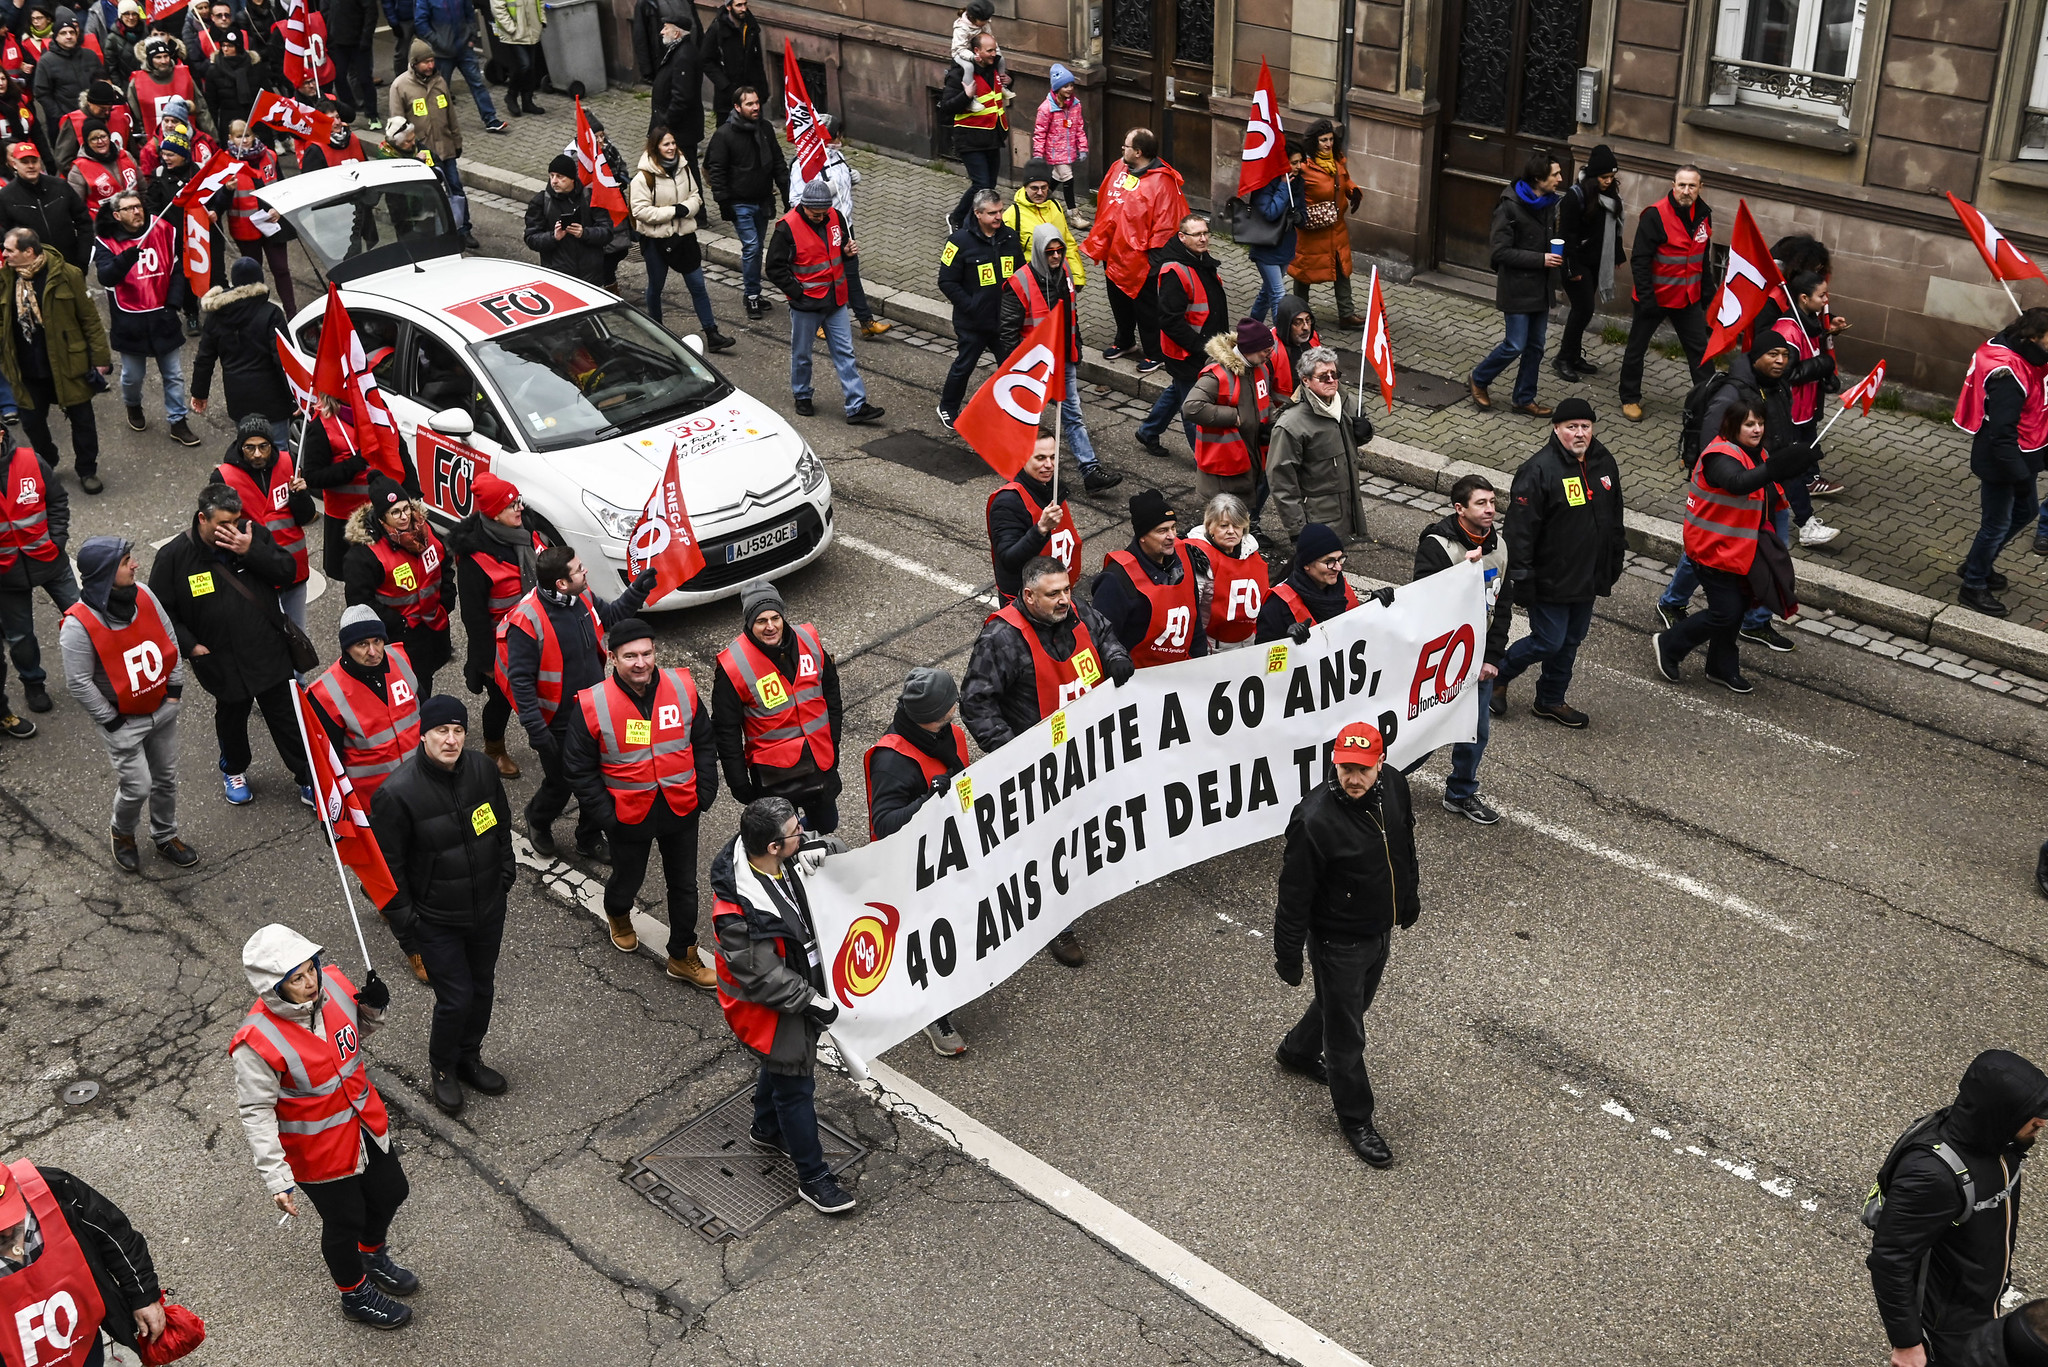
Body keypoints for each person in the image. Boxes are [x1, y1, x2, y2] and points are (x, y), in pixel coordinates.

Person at [230, 923, 417, 1328]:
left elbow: (355, 1036)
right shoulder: (255, 1043)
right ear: (274, 988)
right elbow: (256, 1112)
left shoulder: (333, 983)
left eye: (309, 969)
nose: (310, 981)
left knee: (391, 1191)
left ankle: (372, 1254)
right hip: (319, 1153)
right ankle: (355, 1295)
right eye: (295, 978)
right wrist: (277, 1178)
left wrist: (373, 1009)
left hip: (366, 1125)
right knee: (344, 1222)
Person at [960, 555, 1132, 965]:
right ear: (1028, 595)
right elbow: (976, 702)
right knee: (1047, 844)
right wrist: (1012, 752)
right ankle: (1057, 924)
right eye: (1053, 594)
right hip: (1039, 766)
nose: (1063, 599)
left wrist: (1117, 658)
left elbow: (1104, 634)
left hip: (1085, 751)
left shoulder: (1076, 613)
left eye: (1067, 590)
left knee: (1082, 827)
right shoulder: (1002, 638)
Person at [1272, 720, 1418, 1167]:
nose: (1353, 779)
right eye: (1345, 768)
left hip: (1378, 929)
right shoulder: (1314, 819)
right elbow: (1294, 892)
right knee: (1346, 1034)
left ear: (1382, 763)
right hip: (1338, 940)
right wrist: (1288, 952)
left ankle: (1296, 1051)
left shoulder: (1393, 786)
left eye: (1363, 769)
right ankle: (1356, 1118)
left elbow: (1402, 846)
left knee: (1347, 1006)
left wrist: (1407, 901)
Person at [708, 795, 858, 1215]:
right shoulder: (736, 911)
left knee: (781, 1068)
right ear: (773, 848)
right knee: (796, 1084)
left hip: (795, 992)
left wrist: (824, 850)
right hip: (770, 1010)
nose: (804, 833)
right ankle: (813, 1178)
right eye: (796, 832)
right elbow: (763, 977)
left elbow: (836, 847)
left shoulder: (778, 854)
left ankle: (765, 1127)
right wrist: (814, 1002)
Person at [370, 695, 516, 1115]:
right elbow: (388, 869)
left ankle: (470, 1057)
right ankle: (443, 1067)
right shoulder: (396, 794)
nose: (450, 740)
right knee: (455, 998)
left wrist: (504, 872)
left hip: (487, 906)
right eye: (441, 731)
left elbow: (500, 822)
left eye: (457, 731)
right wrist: (408, 926)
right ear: (424, 734)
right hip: (436, 919)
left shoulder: (483, 770)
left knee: (482, 987)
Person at [563, 617, 720, 987]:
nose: (641, 662)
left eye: (647, 653)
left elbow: (704, 741)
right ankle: (617, 913)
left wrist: (705, 792)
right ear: (613, 659)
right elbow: (577, 768)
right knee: (627, 879)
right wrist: (606, 815)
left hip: (681, 806)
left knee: (684, 885)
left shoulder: (681, 687)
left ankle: (682, 955)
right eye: (630, 655)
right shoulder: (593, 704)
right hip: (627, 815)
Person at [1867, 1050, 2048, 1367]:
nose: (2042, 1122)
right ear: (2002, 1112)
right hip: (1946, 1324)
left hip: (1978, 1298)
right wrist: (1907, 1344)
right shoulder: (1932, 1176)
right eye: (2033, 1114)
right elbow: (1890, 1261)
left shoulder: (2002, 1141)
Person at [149, 482, 312, 804]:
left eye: (235, 520)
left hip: (267, 650)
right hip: (220, 659)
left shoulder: (254, 536)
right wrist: (191, 646)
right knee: (231, 718)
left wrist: (249, 551)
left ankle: (308, 779)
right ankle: (233, 769)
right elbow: (161, 610)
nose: (232, 529)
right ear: (202, 519)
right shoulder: (174, 556)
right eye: (223, 523)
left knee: (286, 718)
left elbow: (287, 571)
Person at [1656, 335, 1813, 650]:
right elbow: (1712, 451)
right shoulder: (1731, 394)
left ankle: (1755, 623)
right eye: (1773, 354)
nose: (1780, 361)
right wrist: (1747, 476)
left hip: (1768, 489)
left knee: (1772, 553)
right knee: (1701, 554)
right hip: (1734, 497)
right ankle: (1673, 603)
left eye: (1785, 354)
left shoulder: (1778, 384)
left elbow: (1779, 432)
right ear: (1755, 357)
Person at [499, 544, 655, 859]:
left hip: (594, 710)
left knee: (598, 777)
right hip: (556, 722)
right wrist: (538, 732)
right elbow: (521, 682)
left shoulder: (581, 595)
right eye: (579, 569)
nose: (585, 572)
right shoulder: (526, 622)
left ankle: (588, 837)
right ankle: (538, 818)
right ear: (561, 583)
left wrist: (637, 591)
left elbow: (610, 616)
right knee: (561, 783)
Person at [1653, 401, 1816, 693]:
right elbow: (1738, 482)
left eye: (1760, 424)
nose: (1757, 429)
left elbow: (1766, 491)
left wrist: (1793, 466)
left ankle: (1721, 666)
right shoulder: (1720, 455)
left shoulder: (1758, 454)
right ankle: (1670, 643)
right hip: (1712, 550)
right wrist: (1778, 466)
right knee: (1725, 613)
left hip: (1739, 550)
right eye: (1749, 424)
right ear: (1733, 426)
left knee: (1737, 608)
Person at [60, 534, 195, 868]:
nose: (135, 564)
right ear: (106, 573)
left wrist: (174, 692)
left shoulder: (145, 595)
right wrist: (112, 721)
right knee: (138, 787)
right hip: (123, 722)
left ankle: (165, 836)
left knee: (166, 779)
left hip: (161, 709)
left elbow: (170, 640)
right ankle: (122, 833)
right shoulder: (77, 625)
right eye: (125, 561)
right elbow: (78, 682)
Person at [1494, 397, 1624, 726]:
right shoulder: (1539, 470)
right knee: (1548, 640)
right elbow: (1520, 529)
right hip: (1550, 577)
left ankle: (1550, 698)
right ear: (1556, 429)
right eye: (1571, 427)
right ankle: (1497, 676)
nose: (1579, 433)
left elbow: (1615, 516)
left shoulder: (1605, 462)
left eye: (1585, 426)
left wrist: (1614, 557)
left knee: (1571, 641)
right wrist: (1522, 576)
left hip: (1587, 577)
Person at [863, 667, 972, 1056]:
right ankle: (932, 1012)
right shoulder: (892, 760)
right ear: (934, 713)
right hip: (912, 868)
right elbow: (886, 824)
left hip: (949, 853)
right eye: (950, 705)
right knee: (927, 937)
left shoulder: (948, 735)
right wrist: (928, 800)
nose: (956, 709)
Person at [1413, 475, 1512, 824]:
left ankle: (1461, 793)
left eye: (1492, 502)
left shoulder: (1499, 546)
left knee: (1476, 730)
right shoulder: (1437, 547)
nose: (1490, 510)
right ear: (1459, 509)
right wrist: (1462, 577)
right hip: (1442, 659)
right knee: (1421, 731)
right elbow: (1424, 604)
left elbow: (1501, 604)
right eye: (1481, 503)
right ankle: (1378, 777)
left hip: (1478, 658)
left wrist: (1492, 657)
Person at [0, 1155, 167, 1356]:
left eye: (12, 1216)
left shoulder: (52, 1187)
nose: (8, 1232)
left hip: (82, 1343)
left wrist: (144, 1296)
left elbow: (115, 1236)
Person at [713, 579, 843, 832]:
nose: (770, 627)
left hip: (819, 760)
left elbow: (831, 691)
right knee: (782, 839)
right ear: (750, 623)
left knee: (826, 825)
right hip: (775, 777)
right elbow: (725, 731)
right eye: (761, 621)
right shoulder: (732, 667)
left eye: (775, 618)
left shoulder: (809, 641)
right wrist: (738, 783)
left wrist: (833, 739)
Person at [998, 221, 1117, 490]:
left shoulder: (1065, 272)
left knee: (1072, 414)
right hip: (1032, 367)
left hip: (1062, 359)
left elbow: (1071, 315)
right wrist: (1012, 370)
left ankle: (1090, 471)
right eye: (1050, 251)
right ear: (1040, 251)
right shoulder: (1019, 284)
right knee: (1030, 420)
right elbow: (1007, 332)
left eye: (1059, 251)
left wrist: (1077, 348)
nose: (1055, 256)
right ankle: (1025, 473)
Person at [765, 177, 883, 424]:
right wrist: (797, 293)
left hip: (836, 300)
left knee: (845, 353)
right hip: (806, 304)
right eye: (815, 213)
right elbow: (775, 268)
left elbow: (836, 253)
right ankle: (802, 395)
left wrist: (847, 254)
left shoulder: (835, 217)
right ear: (803, 205)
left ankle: (856, 405)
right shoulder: (787, 228)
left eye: (823, 213)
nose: (820, 217)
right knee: (802, 354)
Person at [1, 227, 108, 496]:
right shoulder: (5, 278)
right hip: (26, 367)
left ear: (28, 252)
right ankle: (47, 460)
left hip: (67, 364)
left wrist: (100, 358)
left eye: (9, 250)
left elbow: (89, 319)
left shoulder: (66, 274)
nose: (4, 254)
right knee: (32, 424)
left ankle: (87, 470)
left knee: (82, 421)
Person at [1956, 308, 2048, 618]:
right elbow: (2002, 433)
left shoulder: (2025, 355)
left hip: (2021, 456)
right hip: (2003, 461)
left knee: (2026, 511)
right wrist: (2020, 477)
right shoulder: (2009, 373)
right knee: (1996, 525)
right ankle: (1973, 584)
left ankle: (1975, 563)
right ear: (2034, 338)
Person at [452, 469, 536, 779]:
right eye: (511, 505)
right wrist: (488, 663)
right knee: (501, 702)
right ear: (493, 514)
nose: (520, 509)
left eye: (518, 501)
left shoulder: (523, 531)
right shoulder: (474, 558)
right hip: (501, 648)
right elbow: (473, 617)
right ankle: (494, 749)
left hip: (534, 636)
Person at [93, 188, 194, 445]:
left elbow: (176, 269)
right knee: (132, 377)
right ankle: (133, 405)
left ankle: (178, 421)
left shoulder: (163, 230)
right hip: (130, 321)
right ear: (117, 215)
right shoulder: (107, 242)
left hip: (163, 317)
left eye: (138, 206)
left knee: (173, 374)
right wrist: (126, 258)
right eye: (129, 208)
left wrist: (172, 305)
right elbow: (106, 277)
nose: (137, 211)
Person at [1084, 128, 1187, 367]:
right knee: (1118, 301)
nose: (1122, 150)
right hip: (1115, 254)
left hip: (1141, 263)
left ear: (1138, 152)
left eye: (1126, 146)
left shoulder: (1163, 184)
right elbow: (1105, 202)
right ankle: (1124, 341)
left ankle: (1155, 353)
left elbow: (1166, 225)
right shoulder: (1119, 167)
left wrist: (1153, 264)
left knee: (1147, 311)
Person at [1469, 151, 1561, 418]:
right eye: (1555, 174)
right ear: (1537, 178)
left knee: (1536, 346)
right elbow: (1499, 252)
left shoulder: (1549, 203)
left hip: (1541, 288)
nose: (1560, 178)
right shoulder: (1509, 206)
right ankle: (1479, 378)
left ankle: (1523, 398)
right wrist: (1540, 259)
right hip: (1517, 287)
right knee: (1515, 344)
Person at [344, 473, 453, 696]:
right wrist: (399, 623)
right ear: (382, 517)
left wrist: (447, 598)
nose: (404, 517)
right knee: (409, 689)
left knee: (425, 679)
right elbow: (360, 602)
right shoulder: (364, 554)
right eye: (395, 512)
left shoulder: (424, 528)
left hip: (433, 625)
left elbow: (444, 561)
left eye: (406, 509)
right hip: (400, 635)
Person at [1619, 165, 1713, 421]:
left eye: (1692, 186)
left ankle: (1710, 402)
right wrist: (1647, 299)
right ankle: (1630, 398)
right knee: (1636, 348)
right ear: (1673, 185)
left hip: (1687, 299)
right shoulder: (1655, 215)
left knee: (1700, 353)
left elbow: (1702, 256)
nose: (1686, 191)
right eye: (1681, 185)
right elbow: (1640, 260)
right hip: (1655, 298)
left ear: (1700, 188)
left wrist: (1708, 292)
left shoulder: (1704, 214)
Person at [1762, 270, 1848, 545]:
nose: (1826, 300)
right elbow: (1784, 373)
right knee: (1792, 470)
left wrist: (1825, 374)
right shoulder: (1788, 330)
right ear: (1802, 298)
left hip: (1805, 410)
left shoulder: (1809, 322)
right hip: (1790, 414)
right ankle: (1806, 526)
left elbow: (1811, 354)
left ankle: (1775, 514)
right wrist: (1820, 366)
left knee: (1797, 466)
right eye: (1822, 295)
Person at [308, 602, 421, 806]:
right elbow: (324, 764)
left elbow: (427, 716)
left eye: (377, 641)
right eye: (362, 644)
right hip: (373, 803)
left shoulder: (400, 658)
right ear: (347, 648)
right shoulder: (326, 694)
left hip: (420, 786)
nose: (373, 652)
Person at [634, 125, 733, 349]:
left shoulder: (684, 168)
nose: (671, 148)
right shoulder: (643, 178)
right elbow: (640, 211)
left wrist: (684, 209)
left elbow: (696, 197)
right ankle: (656, 329)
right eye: (665, 144)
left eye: (672, 143)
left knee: (698, 285)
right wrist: (673, 211)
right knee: (656, 286)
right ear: (655, 147)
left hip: (684, 238)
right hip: (657, 241)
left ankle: (712, 333)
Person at [790, 113, 888, 339]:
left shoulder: (837, 156)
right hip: (820, 230)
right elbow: (796, 200)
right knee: (825, 276)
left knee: (851, 273)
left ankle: (866, 321)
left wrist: (850, 178)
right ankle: (819, 322)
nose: (840, 138)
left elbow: (842, 184)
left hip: (844, 226)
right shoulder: (803, 164)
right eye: (837, 134)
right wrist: (825, 191)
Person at [1136, 212, 1226, 454]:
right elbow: (1170, 320)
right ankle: (1204, 464)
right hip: (1187, 352)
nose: (1204, 238)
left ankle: (1148, 431)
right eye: (1197, 234)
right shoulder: (1175, 271)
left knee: (1177, 391)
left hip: (1202, 348)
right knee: (1192, 407)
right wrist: (1201, 347)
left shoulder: (1200, 260)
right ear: (1182, 237)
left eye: (1206, 233)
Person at [934, 186, 1022, 429]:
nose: (998, 217)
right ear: (978, 214)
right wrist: (971, 306)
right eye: (992, 213)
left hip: (1003, 321)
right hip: (972, 322)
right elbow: (946, 281)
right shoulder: (958, 242)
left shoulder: (1010, 237)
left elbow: (1021, 273)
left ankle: (1010, 409)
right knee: (964, 366)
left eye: (1000, 211)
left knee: (1011, 367)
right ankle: (948, 407)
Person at [1090, 486, 1208, 667]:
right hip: (1139, 683)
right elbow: (1101, 639)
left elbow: (1195, 622)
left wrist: (1200, 664)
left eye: (1173, 528)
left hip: (1181, 674)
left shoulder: (1185, 558)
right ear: (1142, 536)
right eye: (1162, 531)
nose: (1172, 536)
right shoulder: (1116, 579)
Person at [212, 414, 312, 626]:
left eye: (263, 446)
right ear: (240, 447)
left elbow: (305, 516)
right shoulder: (224, 477)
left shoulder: (289, 463)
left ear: (272, 444)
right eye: (250, 447)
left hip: (294, 569)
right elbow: (217, 530)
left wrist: (300, 496)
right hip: (255, 573)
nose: (257, 454)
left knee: (299, 637)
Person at [0, 439, 75, 717]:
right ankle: (33, 683)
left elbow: (57, 500)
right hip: (6, 574)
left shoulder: (31, 461)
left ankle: (101, 669)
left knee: (83, 616)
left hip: (50, 559)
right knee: (20, 637)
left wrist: (57, 541)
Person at [1267, 344, 1369, 547]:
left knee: (1334, 566)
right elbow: (1281, 480)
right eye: (1323, 376)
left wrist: (1366, 431)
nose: (1332, 380)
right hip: (1319, 520)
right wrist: (1297, 529)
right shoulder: (1291, 425)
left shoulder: (1348, 403)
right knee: (1314, 571)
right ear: (1306, 380)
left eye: (1335, 373)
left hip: (1347, 512)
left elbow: (1351, 444)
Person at [191, 254, 294, 453]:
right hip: (273, 398)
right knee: (279, 449)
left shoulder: (216, 316)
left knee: (248, 450)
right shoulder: (271, 313)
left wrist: (199, 393)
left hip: (239, 398)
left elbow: (204, 358)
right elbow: (283, 359)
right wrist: (295, 396)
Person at [390, 39, 480, 252]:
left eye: (432, 61)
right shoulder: (399, 86)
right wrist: (406, 153)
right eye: (425, 62)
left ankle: (463, 229)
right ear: (414, 63)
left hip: (446, 148)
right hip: (421, 154)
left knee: (456, 189)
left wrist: (457, 141)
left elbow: (451, 115)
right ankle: (437, 234)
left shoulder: (440, 82)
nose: (430, 65)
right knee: (429, 196)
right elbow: (397, 125)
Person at [704, 85, 785, 321]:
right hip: (740, 203)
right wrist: (723, 203)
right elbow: (716, 171)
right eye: (749, 104)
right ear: (737, 107)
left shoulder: (766, 129)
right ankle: (751, 295)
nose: (756, 107)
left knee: (758, 248)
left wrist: (787, 191)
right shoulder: (724, 134)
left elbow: (778, 162)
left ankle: (754, 292)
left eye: (757, 102)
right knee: (751, 248)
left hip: (762, 200)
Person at [1184, 317, 1277, 511]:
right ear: (1249, 349)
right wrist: (1232, 416)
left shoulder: (1260, 369)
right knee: (1224, 522)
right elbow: (1191, 407)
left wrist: (1273, 421)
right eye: (1266, 351)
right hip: (1224, 469)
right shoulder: (1218, 375)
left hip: (1248, 459)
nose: (1271, 354)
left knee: (1242, 516)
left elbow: (1265, 400)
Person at [987, 429, 1082, 604]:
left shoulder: (1052, 488)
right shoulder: (1008, 502)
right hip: (1027, 604)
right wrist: (1041, 530)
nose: (1049, 465)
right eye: (1040, 458)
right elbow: (1009, 560)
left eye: (1053, 457)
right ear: (1022, 457)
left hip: (1056, 595)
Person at [1554, 143, 1621, 382]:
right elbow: (1565, 234)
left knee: (1583, 310)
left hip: (1595, 261)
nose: (1609, 181)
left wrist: (1617, 256)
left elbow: (1613, 228)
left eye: (1612, 177)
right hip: (1575, 261)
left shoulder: (1610, 195)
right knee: (1583, 309)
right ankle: (1563, 358)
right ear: (1593, 176)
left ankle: (1572, 356)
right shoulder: (1576, 196)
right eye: (1604, 177)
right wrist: (1570, 268)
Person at [1288, 119, 1362, 327]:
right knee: (1303, 273)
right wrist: (1300, 214)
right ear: (1314, 142)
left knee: (1342, 269)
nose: (1328, 144)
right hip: (1313, 230)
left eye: (1330, 139)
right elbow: (1293, 193)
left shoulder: (1337, 161)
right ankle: (1301, 316)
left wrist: (1353, 191)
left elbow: (1344, 180)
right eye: (1323, 140)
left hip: (1336, 228)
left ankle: (1347, 314)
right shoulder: (1304, 166)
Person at [938, 30, 1011, 232]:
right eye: (989, 50)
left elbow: (997, 95)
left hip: (993, 135)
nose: (994, 54)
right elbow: (946, 107)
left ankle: (974, 219)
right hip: (970, 138)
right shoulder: (959, 74)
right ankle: (957, 218)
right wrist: (966, 95)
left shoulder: (995, 66)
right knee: (981, 184)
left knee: (990, 185)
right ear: (976, 51)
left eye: (995, 49)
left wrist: (1009, 82)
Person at [219, 118, 293, 315]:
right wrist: (227, 190)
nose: (244, 140)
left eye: (248, 135)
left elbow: (282, 187)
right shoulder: (225, 164)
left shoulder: (270, 155)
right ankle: (260, 317)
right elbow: (219, 203)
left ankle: (293, 313)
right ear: (230, 138)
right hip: (245, 230)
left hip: (272, 223)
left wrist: (279, 209)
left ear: (254, 135)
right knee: (253, 276)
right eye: (238, 136)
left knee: (281, 269)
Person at [1254, 521, 1360, 644]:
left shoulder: (1342, 589)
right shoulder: (1277, 606)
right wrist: (1285, 640)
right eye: (1329, 562)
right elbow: (1263, 654)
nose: (1338, 568)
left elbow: (1357, 630)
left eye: (1340, 559)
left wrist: (1375, 607)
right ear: (1306, 565)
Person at [1184, 492, 1266, 649]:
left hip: (1249, 642)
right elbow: (1192, 611)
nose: (1231, 531)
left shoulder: (1251, 553)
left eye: (1236, 525)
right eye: (1223, 525)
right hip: (1213, 647)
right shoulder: (1198, 559)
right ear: (1210, 527)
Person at [411, 0, 506, 132]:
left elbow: (470, 14)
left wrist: (471, 37)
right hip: (442, 54)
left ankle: (490, 119)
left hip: (464, 49)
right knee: (440, 91)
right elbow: (421, 23)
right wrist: (437, 42)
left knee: (477, 84)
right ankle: (440, 124)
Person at [0, 144, 90, 276]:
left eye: (34, 161)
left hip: (71, 265)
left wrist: (83, 258)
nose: (31, 166)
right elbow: (4, 235)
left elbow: (84, 221)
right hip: (33, 270)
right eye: (24, 162)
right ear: (14, 164)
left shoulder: (60, 186)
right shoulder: (6, 196)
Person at [523, 153, 612, 285]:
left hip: (591, 277)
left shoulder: (590, 198)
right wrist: (553, 237)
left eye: (560, 176)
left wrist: (584, 233)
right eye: (551, 175)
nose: (554, 181)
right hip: (558, 278)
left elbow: (607, 233)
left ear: (572, 179)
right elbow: (531, 238)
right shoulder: (541, 202)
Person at [1245, 142, 1301, 325]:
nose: (1298, 167)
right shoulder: (1265, 182)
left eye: (1300, 162)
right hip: (1266, 248)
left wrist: (1298, 216)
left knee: (1266, 293)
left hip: (1285, 246)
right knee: (1278, 294)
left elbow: (1303, 214)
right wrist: (1283, 187)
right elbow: (1269, 213)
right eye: (1294, 162)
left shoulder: (1298, 181)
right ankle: (1282, 339)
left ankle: (1252, 327)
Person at [31, 9, 104, 134]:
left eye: (71, 32)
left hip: (95, 117)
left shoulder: (90, 55)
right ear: (56, 37)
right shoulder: (46, 61)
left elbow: (102, 81)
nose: (69, 36)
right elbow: (41, 93)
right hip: (66, 121)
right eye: (63, 33)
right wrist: (59, 115)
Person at [1031, 63, 1086, 217]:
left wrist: (1082, 147)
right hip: (1055, 151)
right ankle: (1073, 213)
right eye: (1065, 86)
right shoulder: (1046, 108)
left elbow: (1079, 127)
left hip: (1068, 150)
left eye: (1071, 85)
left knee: (1056, 177)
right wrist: (1038, 154)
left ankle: (1041, 199)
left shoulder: (1075, 105)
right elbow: (1040, 133)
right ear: (1057, 88)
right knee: (1068, 178)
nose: (1069, 89)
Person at [697, 0, 766, 122]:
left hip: (751, 91)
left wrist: (762, 89)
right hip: (727, 95)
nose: (743, 8)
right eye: (739, 5)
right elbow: (705, 59)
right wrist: (724, 84)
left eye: (745, 4)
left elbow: (757, 60)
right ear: (728, 7)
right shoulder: (717, 29)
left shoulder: (751, 26)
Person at [647, 16, 700, 153]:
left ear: (676, 33)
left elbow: (682, 97)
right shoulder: (676, 50)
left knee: (686, 166)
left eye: (666, 28)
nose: (662, 32)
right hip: (674, 129)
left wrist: (666, 122)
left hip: (679, 131)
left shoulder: (684, 56)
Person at [54, 78, 133, 170]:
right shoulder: (73, 122)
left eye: (110, 109)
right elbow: (63, 160)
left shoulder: (119, 117)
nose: (107, 113)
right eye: (102, 109)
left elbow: (131, 150)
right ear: (90, 103)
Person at [488, 0, 543, 118]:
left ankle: (527, 102)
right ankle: (511, 96)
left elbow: (540, 2)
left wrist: (541, 21)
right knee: (524, 65)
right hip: (514, 34)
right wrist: (511, 28)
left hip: (532, 30)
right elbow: (497, 8)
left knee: (531, 68)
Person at [1272, 291, 1320, 394]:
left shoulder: (1313, 338)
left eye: (1308, 320)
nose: (1306, 328)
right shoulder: (1271, 352)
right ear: (1286, 325)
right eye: (1298, 323)